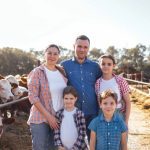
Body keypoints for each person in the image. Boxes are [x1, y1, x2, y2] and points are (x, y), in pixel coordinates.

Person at [61, 35, 102, 140]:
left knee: (93, 143)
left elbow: (104, 82)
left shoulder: (95, 66)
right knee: (73, 142)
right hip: (73, 112)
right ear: (74, 46)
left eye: (85, 47)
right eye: (79, 46)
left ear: (88, 48)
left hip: (93, 112)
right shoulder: (64, 65)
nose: (82, 49)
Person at [27, 44, 67, 150]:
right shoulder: (37, 72)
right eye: (49, 53)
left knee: (54, 148)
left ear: (58, 56)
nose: (52, 56)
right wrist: (49, 117)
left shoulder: (62, 72)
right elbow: (33, 96)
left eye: (55, 54)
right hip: (40, 118)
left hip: (58, 118)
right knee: (40, 147)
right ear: (44, 54)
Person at [95, 54, 131, 126]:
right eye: (103, 64)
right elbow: (99, 101)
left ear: (113, 66)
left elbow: (128, 102)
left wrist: (126, 121)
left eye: (109, 64)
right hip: (102, 114)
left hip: (118, 114)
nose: (106, 66)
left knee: (119, 136)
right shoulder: (97, 82)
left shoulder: (120, 80)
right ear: (100, 65)